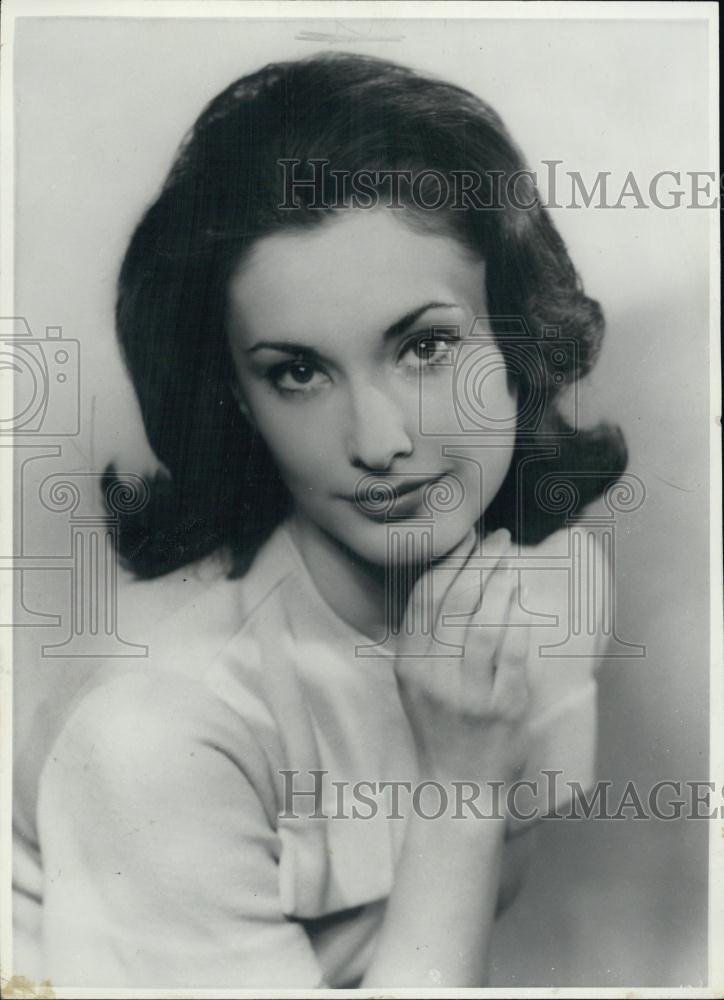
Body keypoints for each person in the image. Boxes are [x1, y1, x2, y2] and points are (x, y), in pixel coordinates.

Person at [12, 52, 627, 988]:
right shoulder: (156, 735)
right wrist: (458, 790)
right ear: (238, 397)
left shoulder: (556, 583)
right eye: (297, 372)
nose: (377, 441)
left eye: (425, 347)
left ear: (517, 336)